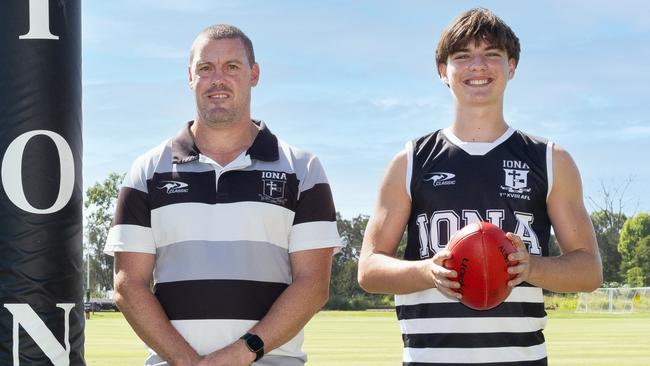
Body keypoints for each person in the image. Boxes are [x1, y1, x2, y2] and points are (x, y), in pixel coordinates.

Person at [358, 8, 602, 366]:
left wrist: (531, 268)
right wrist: (428, 271)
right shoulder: (409, 161)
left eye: (492, 54)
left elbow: (589, 271)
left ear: (512, 66)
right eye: (462, 57)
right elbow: (368, 269)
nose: (478, 66)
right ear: (443, 71)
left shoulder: (550, 159)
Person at [104, 24, 340, 366]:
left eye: (232, 66)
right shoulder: (147, 170)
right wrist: (188, 362)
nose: (218, 79)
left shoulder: (302, 169)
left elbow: (313, 284)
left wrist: (240, 353)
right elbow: (128, 285)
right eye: (205, 68)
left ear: (254, 74)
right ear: (189, 76)